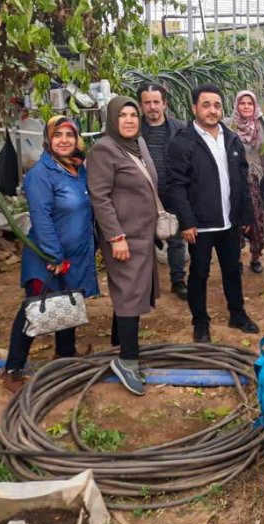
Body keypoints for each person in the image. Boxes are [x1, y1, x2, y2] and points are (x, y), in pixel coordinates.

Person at [1, 116, 98, 393]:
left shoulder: (77, 170)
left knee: (67, 302)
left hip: (76, 254)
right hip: (48, 256)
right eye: (58, 135)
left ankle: (65, 355)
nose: (65, 140)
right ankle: (12, 369)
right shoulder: (40, 174)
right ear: (48, 139)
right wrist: (54, 256)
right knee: (33, 309)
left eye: (70, 134)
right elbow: (41, 218)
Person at [166, 84, 259, 343]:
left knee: (232, 270)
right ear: (194, 107)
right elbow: (176, 186)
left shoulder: (230, 139)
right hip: (201, 225)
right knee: (199, 274)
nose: (212, 110)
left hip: (229, 221)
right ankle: (201, 322)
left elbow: (241, 180)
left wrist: (245, 216)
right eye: (206, 105)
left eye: (217, 105)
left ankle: (237, 314)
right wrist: (186, 221)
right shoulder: (183, 142)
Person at [88, 96, 161, 396]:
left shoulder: (138, 145)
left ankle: (120, 343)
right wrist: (115, 237)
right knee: (130, 292)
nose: (130, 120)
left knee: (134, 290)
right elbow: (100, 196)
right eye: (123, 115)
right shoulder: (104, 150)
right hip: (124, 237)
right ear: (112, 120)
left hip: (142, 233)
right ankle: (127, 360)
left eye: (134, 114)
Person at [138, 83, 189, 299]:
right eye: (147, 102)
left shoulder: (180, 128)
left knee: (176, 238)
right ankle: (147, 283)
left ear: (164, 103)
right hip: (144, 195)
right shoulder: (135, 131)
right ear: (141, 105)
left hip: (174, 191)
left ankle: (178, 280)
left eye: (156, 102)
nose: (152, 107)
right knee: (144, 240)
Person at [231, 89, 264, 274]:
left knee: (259, 220)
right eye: (242, 103)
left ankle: (256, 256)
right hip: (237, 181)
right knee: (236, 219)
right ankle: (236, 257)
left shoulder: (263, 123)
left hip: (259, 181)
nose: (246, 107)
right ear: (237, 105)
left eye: (250, 103)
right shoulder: (228, 125)